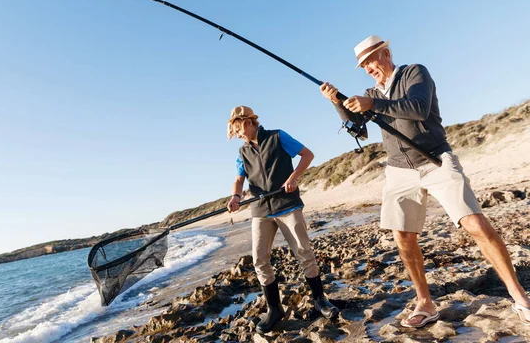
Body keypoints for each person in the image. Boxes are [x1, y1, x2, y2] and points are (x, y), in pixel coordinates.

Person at [319, 35, 530, 328]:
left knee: (475, 224)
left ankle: (519, 296)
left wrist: (373, 103)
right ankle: (425, 303)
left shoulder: (415, 73)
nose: (368, 68)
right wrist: (338, 103)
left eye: (371, 60)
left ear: (386, 53)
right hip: (398, 170)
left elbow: (417, 108)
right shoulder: (370, 92)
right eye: (363, 65)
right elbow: (359, 130)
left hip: (435, 159)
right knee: (403, 236)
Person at [226, 105, 339, 333]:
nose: (237, 135)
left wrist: (293, 178)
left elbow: (307, 154)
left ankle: (320, 300)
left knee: (304, 252)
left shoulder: (278, 136)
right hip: (260, 209)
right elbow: (239, 179)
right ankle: (274, 309)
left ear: (248, 122)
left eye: (237, 130)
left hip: (287, 205)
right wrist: (236, 196)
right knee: (259, 259)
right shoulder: (242, 152)